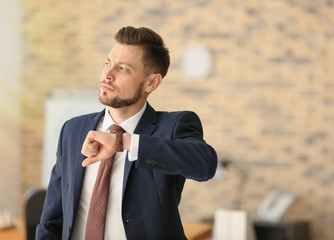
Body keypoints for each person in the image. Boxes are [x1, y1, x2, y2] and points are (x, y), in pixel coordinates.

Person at [36, 26, 217, 240]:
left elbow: (205, 164)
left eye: (123, 68)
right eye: (108, 63)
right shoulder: (73, 130)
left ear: (152, 82)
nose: (108, 74)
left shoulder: (174, 126)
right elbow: (52, 219)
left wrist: (123, 141)